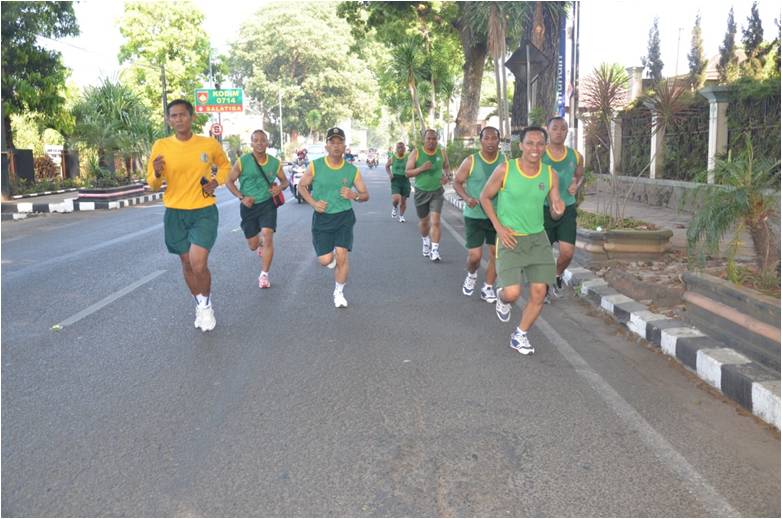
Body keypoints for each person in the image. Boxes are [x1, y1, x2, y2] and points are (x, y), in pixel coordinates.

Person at [479, 126, 565, 355]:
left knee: (539, 292)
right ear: (521, 146)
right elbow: (485, 197)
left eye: (539, 144)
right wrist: (499, 227)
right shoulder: (505, 169)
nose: (535, 148)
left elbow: (555, 207)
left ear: (545, 147)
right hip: (510, 239)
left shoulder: (550, 174)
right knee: (512, 294)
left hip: (538, 240)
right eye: (530, 143)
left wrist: (558, 210)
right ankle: (500, 297)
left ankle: (520, 334)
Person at [147, 99, 230, 332]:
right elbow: (153, 184)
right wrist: (156, 172)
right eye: (173, 116)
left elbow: (225, 167)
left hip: (203, 211)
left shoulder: (208, 144)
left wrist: (216, 181)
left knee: (198, 263)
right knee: (186, 263)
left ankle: (205, 308)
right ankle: (201, 302)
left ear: (192, 117)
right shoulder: (161, 145)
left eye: (183, 115)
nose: (178, 119)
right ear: (168, 120)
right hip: (175, 211)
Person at [298, 127, 369, 308]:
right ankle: (333, 260)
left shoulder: (352, 170)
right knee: (325, 260)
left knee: (342, 255)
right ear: (327, 146)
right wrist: (313, 203)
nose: (336, 146)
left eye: (340, 142)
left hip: (344, 217)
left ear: (345, 146)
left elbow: (365, 194)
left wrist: (354, 196)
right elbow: (301, 186)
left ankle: (339, 292)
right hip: (322, 218)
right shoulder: (316, 166)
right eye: (333, 142)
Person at [224, 129, 289, 289]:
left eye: (263, 140)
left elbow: (285, 181)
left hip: (267, 204)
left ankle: (264, 275)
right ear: (251, 143)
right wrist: (241, 197)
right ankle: (259, 243)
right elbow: (229, 181)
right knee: (253, 245)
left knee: (268, 235)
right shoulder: (242, 161)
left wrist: (279, 188)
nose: (260, 143)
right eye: (256, 140)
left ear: (267, 143)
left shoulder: (274, 163)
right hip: (248, 206)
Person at [453, 126, 502, 303]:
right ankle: (472, 274)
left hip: (497, 216)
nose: (490, 142)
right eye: (486, 138)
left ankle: (487, 287)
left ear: (499, 141)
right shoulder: (471, 161)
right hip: (474, 215)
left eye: (494, 138)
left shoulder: (505, 163)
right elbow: (457, 182)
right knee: (475, 256)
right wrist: (466, 198)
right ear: (480, 141)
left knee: (497, 254)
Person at [543, 116, 584, 300]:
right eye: (555, 128)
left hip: (567, 208)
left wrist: (577, 184)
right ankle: (542, 289)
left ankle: (557, 274)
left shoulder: (575, 155)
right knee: (543, 252)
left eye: (563, 128)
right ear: (548, 130)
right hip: (543, 208)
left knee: (567, 253)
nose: (559, 132)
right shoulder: (539, 154)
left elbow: (579, 175)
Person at [405, 129, 451, 262]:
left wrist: (447, 176)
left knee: (435, 221)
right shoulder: (417, 152)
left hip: (437, 191)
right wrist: (421, 169)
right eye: (429, 138)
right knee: (424, 222)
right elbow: (407, 172)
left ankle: (435, 250)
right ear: (424, 140)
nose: (431, 141)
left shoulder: (441, 152)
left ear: (437, 139)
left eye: (434, 138)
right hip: (421, 192)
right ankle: (425, 241)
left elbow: (447, 166)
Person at [386, 141, 410, 223]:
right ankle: (395, 207)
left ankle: (401, 216)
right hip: (395, 180)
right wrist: (390, 174)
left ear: (404, 149)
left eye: (402, 147)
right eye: (398, 147)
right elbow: (387, 166)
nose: (400, 149)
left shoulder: (408, 157)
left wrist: (410, 173)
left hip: (405, 180)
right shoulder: (393, 157)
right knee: (396, 199)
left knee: (403, 201)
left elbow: (413, 165)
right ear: (396, 149)